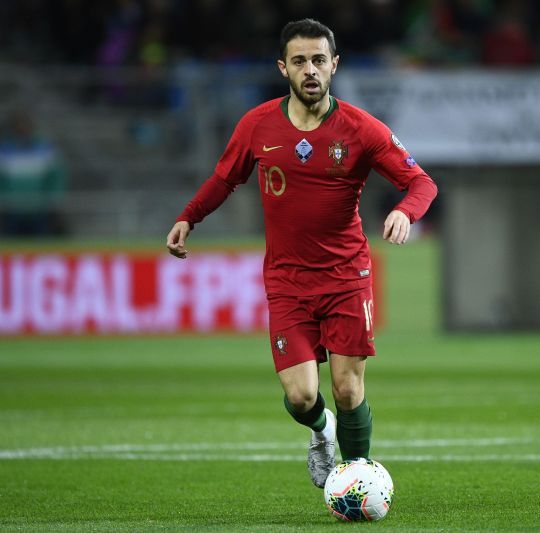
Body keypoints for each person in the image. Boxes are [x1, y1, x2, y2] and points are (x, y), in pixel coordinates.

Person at [165, 19, 437, 488]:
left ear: (334, 65)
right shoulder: (257, 125)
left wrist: (405, 213)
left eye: (318, 60)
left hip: (346, 275)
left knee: (348, 389)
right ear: (283, 68)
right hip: (288, 280)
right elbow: (225, 178)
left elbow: (421, 181)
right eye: (299, 62)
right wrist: (190, 216)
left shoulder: (360, 128)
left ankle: (356, 482)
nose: (309, 70)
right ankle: (321, 430)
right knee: (300, 395)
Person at [0, 109, 66, 237]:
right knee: (11, 249)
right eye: (19, 125)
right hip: (11, 210)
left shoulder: (45, 149)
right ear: (13, 128)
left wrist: (54, 201)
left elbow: (56, 178)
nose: (23, 129)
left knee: (40, 249)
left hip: (39, 209)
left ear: (31, 127)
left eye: (26, 125)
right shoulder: (2, 150)